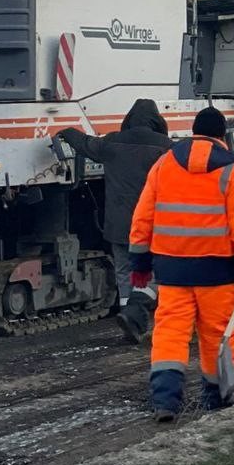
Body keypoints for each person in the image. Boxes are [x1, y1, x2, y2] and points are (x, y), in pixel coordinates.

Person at [128, 107, 234, 421]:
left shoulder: (164, 164)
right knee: (217, 334)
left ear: (193, 130)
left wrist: (140, 260)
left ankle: (165, 402)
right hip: (218, 272)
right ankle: (216, 398)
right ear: (222, 136)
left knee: (170, 333)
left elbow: (143, 215)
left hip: (171, 270)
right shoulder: (233, 171)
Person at [57, 99, 171, 344]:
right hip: (152, 224)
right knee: (150, 274)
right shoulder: (166, 148)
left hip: (118, 225)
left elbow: (85, 144)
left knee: (124, 272)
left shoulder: (112, 143)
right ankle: (134, 316)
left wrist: (66, 132)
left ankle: (129, 323)